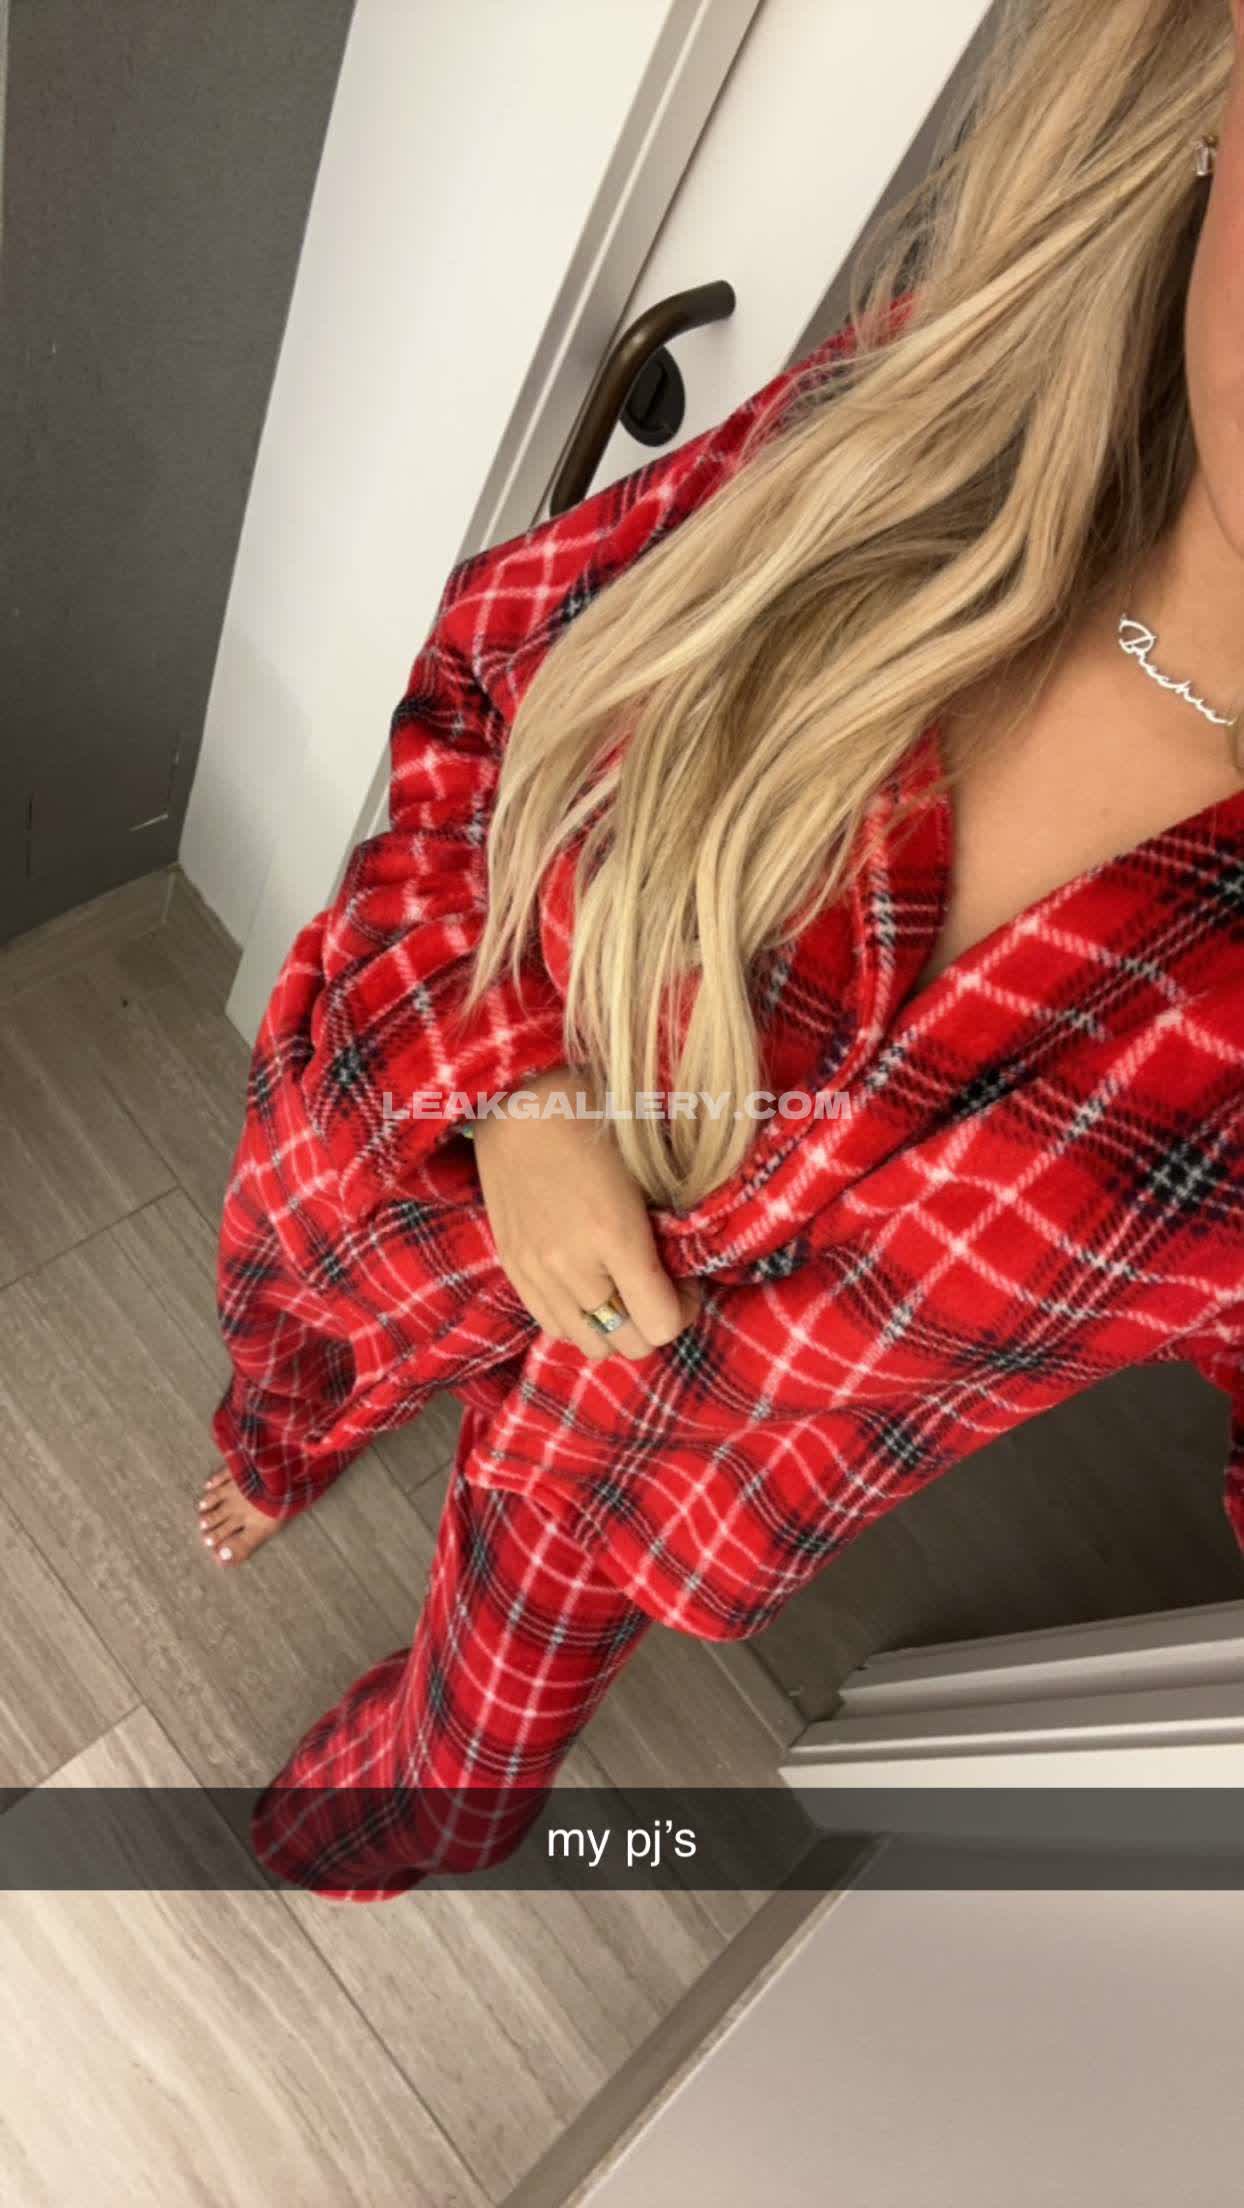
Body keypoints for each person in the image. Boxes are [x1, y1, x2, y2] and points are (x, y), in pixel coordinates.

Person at [204, 0, 1244, 1897]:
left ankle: (400, 1813)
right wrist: (510, 1086)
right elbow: (474, 703)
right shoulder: (908, 425)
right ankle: (281, 1448)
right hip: (392, 1173)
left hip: (639, 1489)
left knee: (470, 1756)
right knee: (291, 1351)